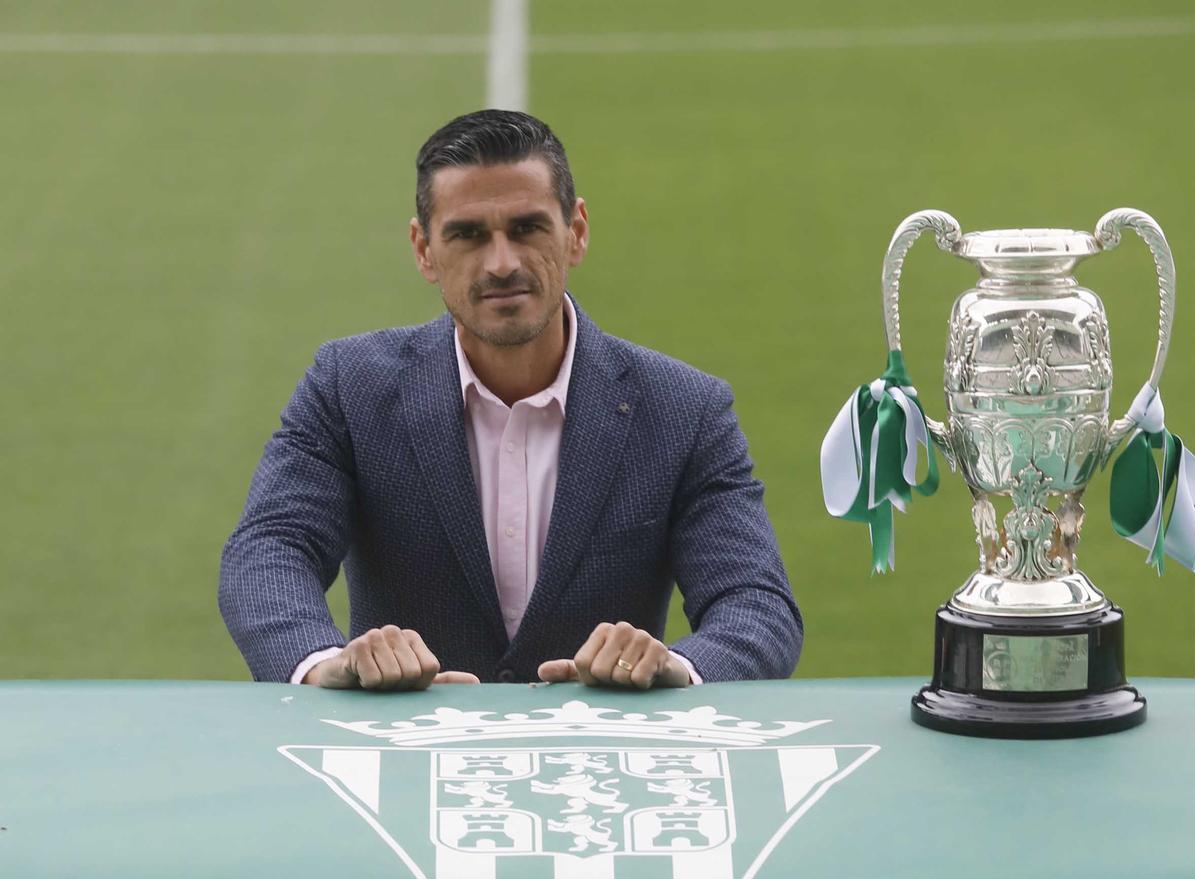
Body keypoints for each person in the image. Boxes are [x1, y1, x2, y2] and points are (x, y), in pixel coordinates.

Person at [219, 110, 802, 692]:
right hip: (408, 766)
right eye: (468, 234)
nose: (502, 263)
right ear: (424, 250)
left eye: (527, 228)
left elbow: (755, 601)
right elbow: (269, 548)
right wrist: (321, 661)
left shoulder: (684, 410)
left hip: (600, 768)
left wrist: (680, 667)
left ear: (576, 232)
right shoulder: (348, 387)